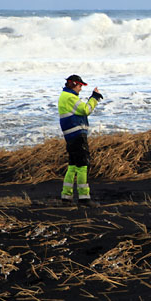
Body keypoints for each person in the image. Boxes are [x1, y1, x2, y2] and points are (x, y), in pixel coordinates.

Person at [58, 74, 103, 204]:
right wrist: (94, 98)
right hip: (77, 135)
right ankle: (84, 197)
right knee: (83, 165)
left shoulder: (64, 96)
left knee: (72, 166)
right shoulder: (70, 97)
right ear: (74, 84)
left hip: (71, 136)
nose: (81, 88)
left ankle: (66, 196)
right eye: (80, 85)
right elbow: (86, 110)